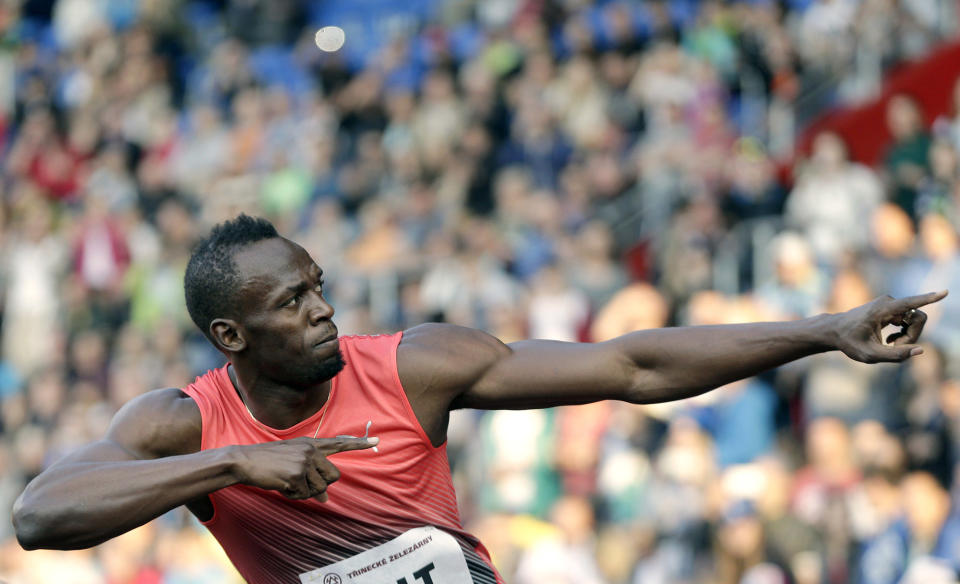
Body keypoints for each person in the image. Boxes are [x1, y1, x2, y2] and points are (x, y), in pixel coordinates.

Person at [11, 215, 947, 584]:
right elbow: (38, 517)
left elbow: (631, 367)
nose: (324, 309)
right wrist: (228, 465)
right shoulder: (185, 422)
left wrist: (826, 329)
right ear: (231, 336)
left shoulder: (413, 366)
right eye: (292, 303)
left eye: (319, 285)